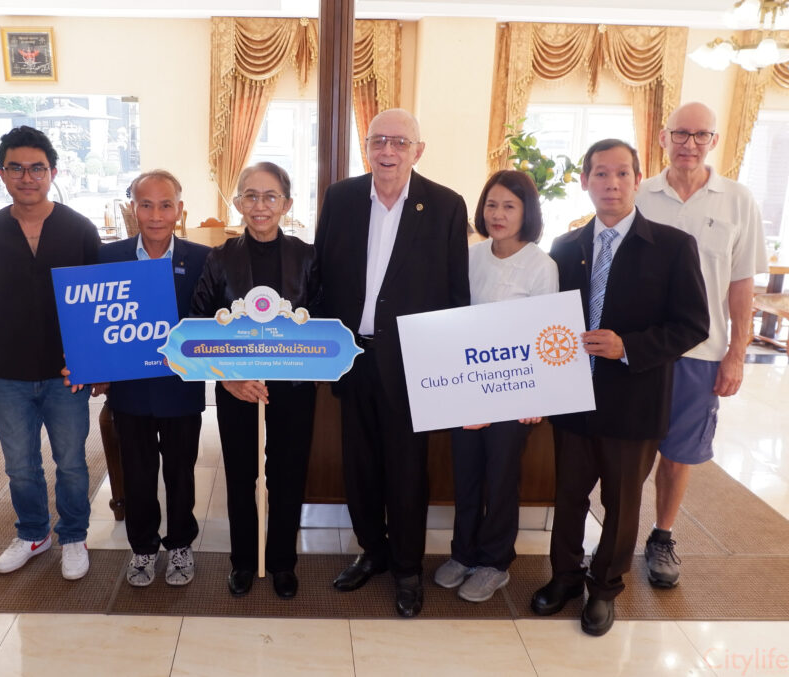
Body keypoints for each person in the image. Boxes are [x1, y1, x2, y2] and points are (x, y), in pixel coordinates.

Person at [532, 139, 709, 636]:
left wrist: (627, 346)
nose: (611, 183)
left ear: (637, 179)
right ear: (585, 181)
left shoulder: (673, 246)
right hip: (572, 397)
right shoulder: (564, 248)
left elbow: (693, 324)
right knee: (568, 495)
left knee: (622, 502)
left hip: (635, 399)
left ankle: (604, 588)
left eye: (622, 174)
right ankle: (565, 577)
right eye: (600, 174)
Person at [315, 109, 470, 617]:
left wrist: (446, 365)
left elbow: (455, 293)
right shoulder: (341, 198)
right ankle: (372, 551)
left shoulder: (446, 206)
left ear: (417, 151)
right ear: (366, 147)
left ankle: (407, 568)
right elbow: (321, 274)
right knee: (358, 465)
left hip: (412, 362)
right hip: (352, 355)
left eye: (400, 142)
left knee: (407, 469)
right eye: (378, 140)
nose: (388, 151)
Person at [635, 102, 768, 588]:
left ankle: (662, 536)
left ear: (714, 140)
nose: (689, 144)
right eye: (680, 133)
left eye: (700, 135)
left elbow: (742, 284)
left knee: (678, 454)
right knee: (629, 452)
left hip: (702, 353)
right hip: (642, 350)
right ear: (663, 137)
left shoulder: (737, 200)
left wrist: (736, 353)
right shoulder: (639, 194)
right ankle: (616, 536)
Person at [0, 126, 100, 581]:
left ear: (53, 172)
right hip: (8, 372)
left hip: (67, 373)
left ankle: (74, 536)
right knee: (20, 466)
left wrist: (96, 362)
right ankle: (33, 533)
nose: (27, 177)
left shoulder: (79, 229)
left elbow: (100, 302)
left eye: (37, 168)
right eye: (16, 168)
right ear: (2, 174)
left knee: (72, 463)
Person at [190, 162, 319, 599]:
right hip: (237, 388)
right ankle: (243, 560)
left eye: (270, 196)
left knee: (287, 474)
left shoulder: (307, 256)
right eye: (251, 196)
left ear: (287, 204)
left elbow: (323, 323)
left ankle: (282, 561)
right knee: (241, 474)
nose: (260, 206)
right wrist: (229, 380)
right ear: (238, 202)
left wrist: (302, 366)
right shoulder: (220, 257)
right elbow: (199, 324)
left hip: (294, 389)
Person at [434, 170, 558, 603]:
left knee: (501, 477)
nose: (498, 214)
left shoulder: (542, 266)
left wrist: (536, 397)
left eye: (509, 206)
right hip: (469, 389)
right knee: (466, 474)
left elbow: (546, 335)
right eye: (491, 204)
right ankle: (463, 553)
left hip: (513, 393)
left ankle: (495, 563)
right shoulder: (471, 256)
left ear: (527, 212)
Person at [98, 170, 210, 588]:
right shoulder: (108, 257)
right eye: (146, 205)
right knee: (138, 474)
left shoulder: (202, 259)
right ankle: (143, 547)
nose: (156, 215)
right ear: (133, 209)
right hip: (130, 390)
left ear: (179, 210)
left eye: (166, 205)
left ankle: (180, 543)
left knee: (181, 472)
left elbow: (210, 319)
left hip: (180, 388)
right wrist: (94, 367)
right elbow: (97, 321)